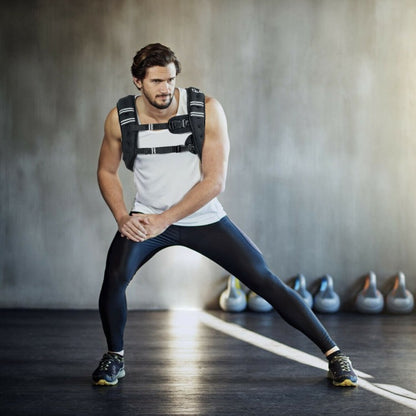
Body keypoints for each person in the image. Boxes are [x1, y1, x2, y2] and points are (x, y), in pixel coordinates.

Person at [93, 43, 358, 387]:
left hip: (201, 217)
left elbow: (214, 181)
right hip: (148, 216)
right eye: (157, 81)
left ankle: (335, 354)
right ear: (137, 81)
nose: (166, 89)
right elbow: (106, 172)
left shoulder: (207, 110)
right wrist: (121, 217)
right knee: (114, 279)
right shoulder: (121, 118)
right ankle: (115, 356)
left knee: (263, 279)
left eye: (171, 80)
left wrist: (166, 218)